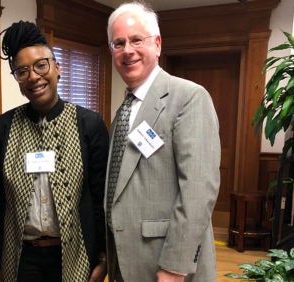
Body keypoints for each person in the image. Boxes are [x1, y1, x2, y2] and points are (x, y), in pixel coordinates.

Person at [0, 21, 109, 282]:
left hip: (75, 254)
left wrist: (104, 255)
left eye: (41, 65)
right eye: (22, 71)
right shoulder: (2, 127)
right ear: (17, 79)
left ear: (57, 67)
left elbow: (100, 197)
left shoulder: (88, 123)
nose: (34, 77)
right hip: (20, 257)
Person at [105, 2, 221, 282]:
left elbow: (198, 189)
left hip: (167, 266)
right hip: (125, 259)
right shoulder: (124, 110)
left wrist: (174, 266)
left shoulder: (189, 97)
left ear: (157, 44)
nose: (127, 50)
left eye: (136, 40)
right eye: (118, 43)